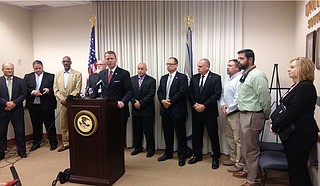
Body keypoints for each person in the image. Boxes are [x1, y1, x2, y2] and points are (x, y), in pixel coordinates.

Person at [271, 57, 319, 186]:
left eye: (292, 67)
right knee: (293, 169)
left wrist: (276, 126)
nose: (288, 69)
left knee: (298, 170)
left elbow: (292, 112)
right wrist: (277, 125)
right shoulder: (296, 85)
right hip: (294, 133)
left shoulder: (306, 87)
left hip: (302, 134)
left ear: (303, 69)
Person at [232, 49, 271, 186]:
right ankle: (248, 170)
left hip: (253, 116)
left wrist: (266, 113)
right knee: (245, 147)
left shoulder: (257, 75)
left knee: (251, 150)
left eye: (241, 59)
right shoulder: (245, 74)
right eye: (238, 58)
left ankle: (254, 181)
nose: (239, 61)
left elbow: (265, 98)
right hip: (244, 115)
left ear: (250, 60)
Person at [187, 58, 222, 169]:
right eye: (198, 66)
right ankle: (197, 155)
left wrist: (204, 105)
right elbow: (190, 93)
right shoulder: (194, 78)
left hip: (209, 112)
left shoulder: (216, 78)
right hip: (196, 111)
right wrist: (195, 104)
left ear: (207, 67)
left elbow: (216, 94)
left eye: (200, 66)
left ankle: (215, 157)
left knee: (213, 135)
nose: (198, 68)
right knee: (197, 135)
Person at [157, 57, 191, 167]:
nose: (168, 66)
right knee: (167, 133)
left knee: (180, 134)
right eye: (167, 64)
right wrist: (162, 100)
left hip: (177, 110)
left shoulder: (182, 77)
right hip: (165, 110)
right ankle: (168, 153)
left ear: (176, 65)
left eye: (171, 64)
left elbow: (182, 92)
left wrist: (170, 101)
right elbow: (160, 91)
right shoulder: (163, 78)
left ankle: (182, 155)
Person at [96, 51, 133, 145]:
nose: (110, 60)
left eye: (112, 58)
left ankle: (118, 158)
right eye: (107, 59)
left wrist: (123, 102)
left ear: (116, 59)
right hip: (106, 110)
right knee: (107, 137)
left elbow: (129, 91)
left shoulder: (124, 73)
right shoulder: (102, 74)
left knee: (119, 137)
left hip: (119, 109)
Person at [24, 60, 58, 151]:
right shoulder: (28, 77)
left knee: (50, 125)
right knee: (36, 126)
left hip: (47, 105)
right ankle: (36, 143)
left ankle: (53, 143)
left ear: (43, 67)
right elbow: (24, 89)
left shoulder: (51, 76)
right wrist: (32, 92)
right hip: (34, 105)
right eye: (36, 68)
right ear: (33, 68)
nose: (38, 70)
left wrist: (49, 90)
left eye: (40, 68)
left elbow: (56, 88)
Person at [219, 59, 244, 172]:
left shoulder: (240, 79)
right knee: (230, 137)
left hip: (236, 113)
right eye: (227, 65)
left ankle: (239, 163)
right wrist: (223, 104)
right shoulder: (227, 78)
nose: (227, 67)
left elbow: (238, 98)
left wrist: (228, 109)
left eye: (230, 66)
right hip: (227, 112)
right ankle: (233, 158)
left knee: (238, 139)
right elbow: (222, 94)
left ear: (237, 68)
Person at [53, 56, 82, 152]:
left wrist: (69, 99)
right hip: (62, 104)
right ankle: (66, 143)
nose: (66, 63)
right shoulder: (57, 74)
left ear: (70, 62)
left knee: (75, 123)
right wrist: (62, 99)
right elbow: (55, 89)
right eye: (64, 61)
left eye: (67, 61)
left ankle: (75, 142)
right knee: (64, 125)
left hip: (73, 103)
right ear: (62, 62)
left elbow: (77, 89)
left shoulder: (77, 74)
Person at [0, 63, 27, 159]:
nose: (9, 70)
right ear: (3, 69)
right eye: (7, 69)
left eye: (11, 68)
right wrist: (6, 103)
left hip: (17, 110)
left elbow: (24, 94)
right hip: (3, 111)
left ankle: (22, 151)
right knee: (2, 133)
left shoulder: (21, 81)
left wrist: (14, 103)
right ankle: (1, 152)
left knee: (20, 132)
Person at [130, 62, 156, 157]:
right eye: (139, 69)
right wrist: (134, 102)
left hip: (147, 110)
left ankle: (150, 149)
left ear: (146, 69)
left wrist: (140, 103)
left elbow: (151, 94)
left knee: (148, 131)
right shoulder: (132, 80)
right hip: (135, 110)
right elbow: (129, 93)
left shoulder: (151, 80)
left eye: (142, 69)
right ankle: (137, 148)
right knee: (136, 131)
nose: (140, 71)